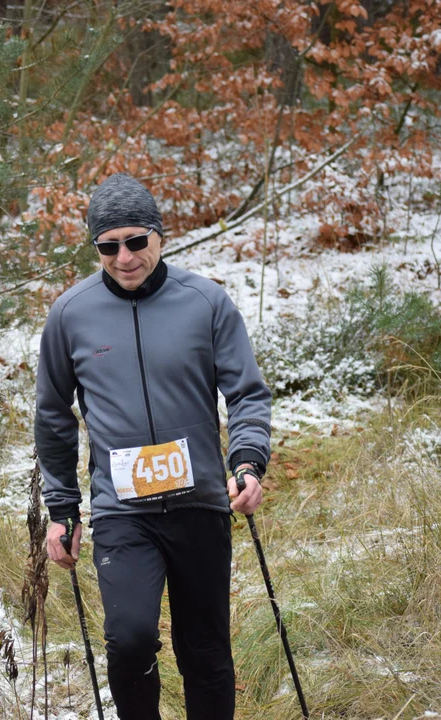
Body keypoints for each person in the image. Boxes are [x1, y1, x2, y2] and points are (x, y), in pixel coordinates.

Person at [35, 173, 272, 720]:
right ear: (96, 248)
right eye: (108, 246)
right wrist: (62, 511)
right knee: (131, 638)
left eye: (136, 241)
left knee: (205, 650)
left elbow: (246, 393)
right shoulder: (71, 314)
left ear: (159, 236)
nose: (124, 257)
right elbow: (52, 416)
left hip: (199, 505)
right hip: (124, 513)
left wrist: (248, 460)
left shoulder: (206, 303)